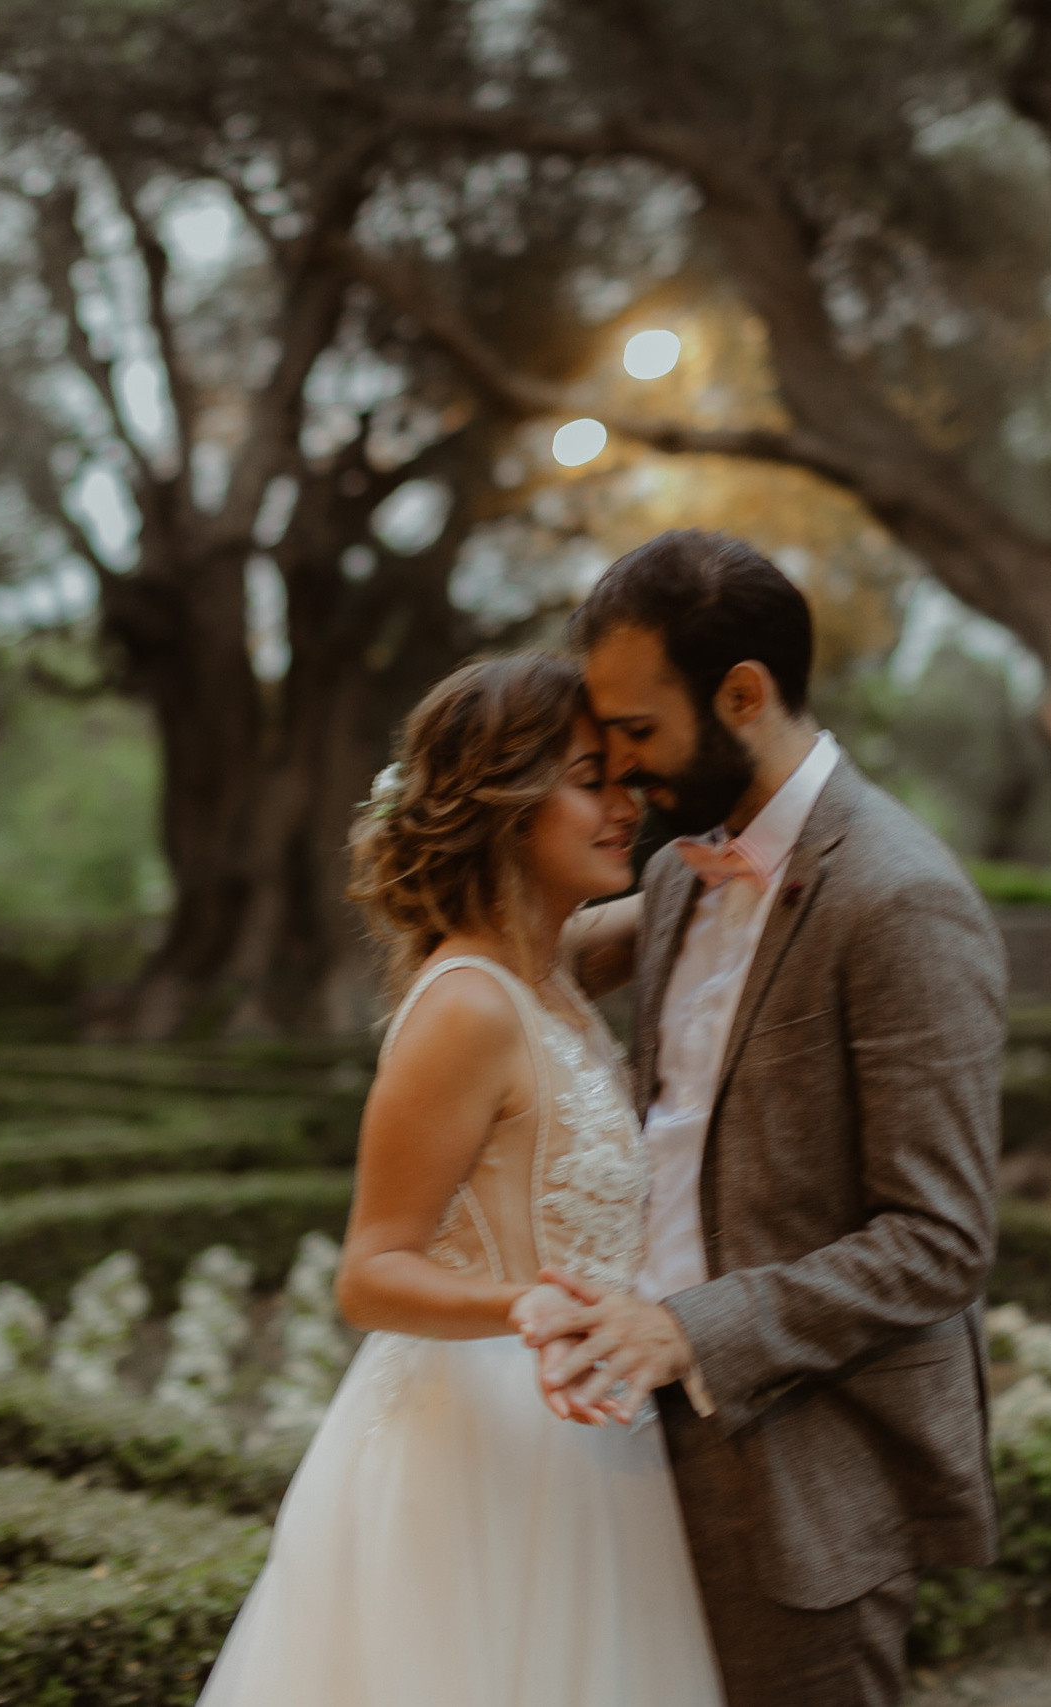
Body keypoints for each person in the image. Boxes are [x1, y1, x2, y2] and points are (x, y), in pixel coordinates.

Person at [528, 529, 1007, 1707]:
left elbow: (939, 1243)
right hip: (632, 1433)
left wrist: (694, 1331)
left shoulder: (904, 901)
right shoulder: (685, 872)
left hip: (801, 1459)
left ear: (741, 695)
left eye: (637, 733)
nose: (623, 772)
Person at [195, 653, 725, 1707]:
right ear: (506, 805)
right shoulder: (467, 1008)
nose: (626, 807)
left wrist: (749, 863)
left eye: (626, 779)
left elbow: (666, 906)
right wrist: (519, 1304)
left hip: (583, 1431)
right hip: (478, 1446)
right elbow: (369, 1273)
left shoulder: (550, 969)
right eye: (591, 779)